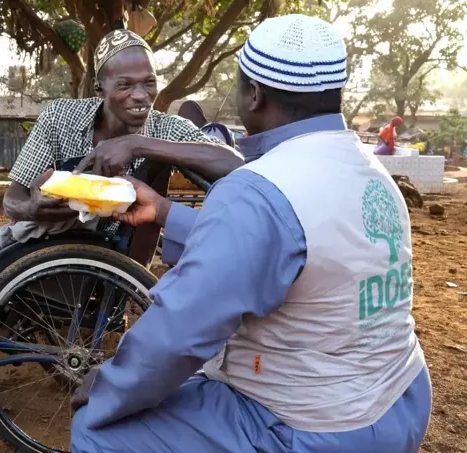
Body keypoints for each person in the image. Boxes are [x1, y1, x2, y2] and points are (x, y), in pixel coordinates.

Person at [69, 14, 431, 453]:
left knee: (94, 429)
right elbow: (288, 249)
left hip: (317, 426)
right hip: (401, 401)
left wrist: (108, 384)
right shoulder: (373, 174)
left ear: (253, 95)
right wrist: (164, 211)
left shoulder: (260, 188)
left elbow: (179, 333)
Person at [0, 29, 241, 342]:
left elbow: (235, 164)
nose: (141, 96)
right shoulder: (61, 117)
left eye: (149, 84)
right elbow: (13, 199)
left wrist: (137, 143)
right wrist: (31, 207)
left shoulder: (164, 129)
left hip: (87, 260)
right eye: (125, 85)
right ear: (99, 88)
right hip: (30, 239)